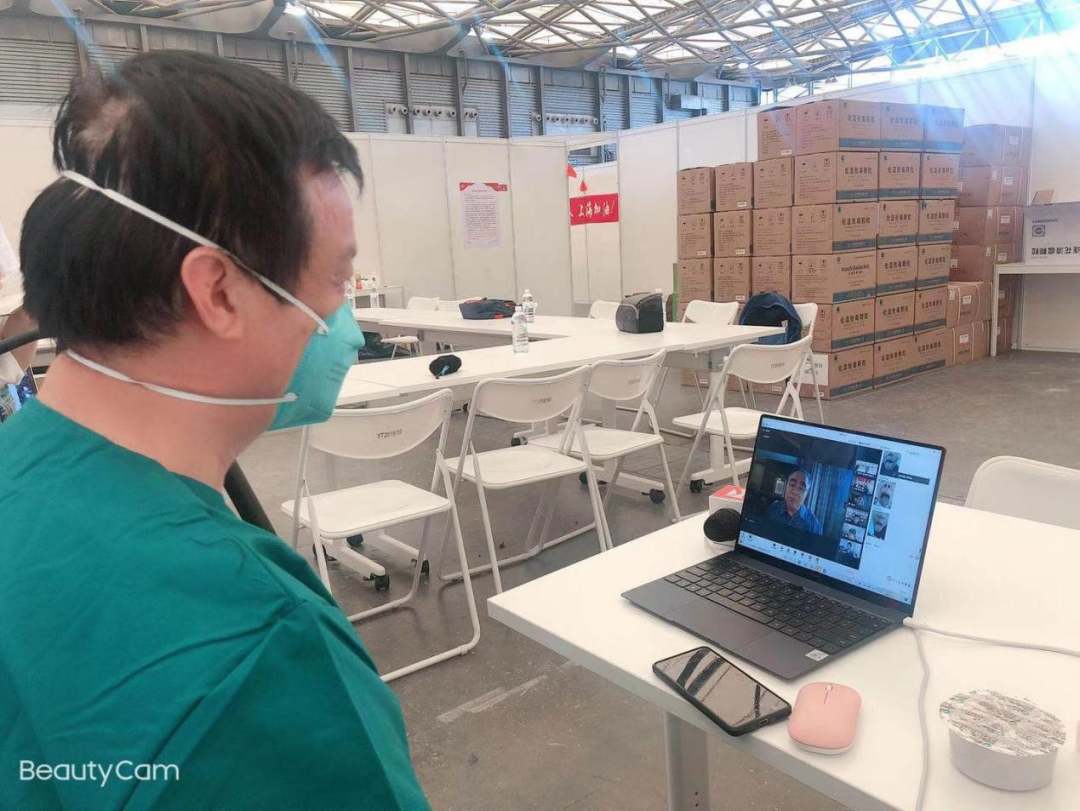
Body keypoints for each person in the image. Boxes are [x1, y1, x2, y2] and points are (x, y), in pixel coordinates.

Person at [0, 52, 429, 809]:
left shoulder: (22, 472)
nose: (344, 319)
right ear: (219, 291)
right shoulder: (259, 649)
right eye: (337, 279)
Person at [766, 468, 823, 534]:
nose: (795, 492)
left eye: (801, 488)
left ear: (807, 494)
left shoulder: (814, 526)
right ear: (786, 486)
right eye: (792, 485)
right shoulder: (773, 508)